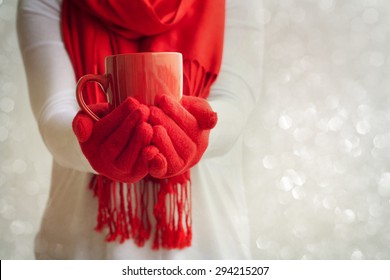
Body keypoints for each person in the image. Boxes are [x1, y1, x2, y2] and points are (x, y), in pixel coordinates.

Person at [17, 0, 264, 259]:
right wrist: (90, 145)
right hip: (83, 247)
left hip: (206, 247)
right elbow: (54, 111)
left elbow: (235, 103)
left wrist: (197, 136)